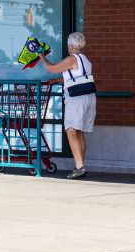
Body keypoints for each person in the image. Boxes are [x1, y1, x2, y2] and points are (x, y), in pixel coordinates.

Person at [40, 32, 96, 179]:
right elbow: (78, 77)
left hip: (76, 99)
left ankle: (79, 167)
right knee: (79, 132)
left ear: (71, 46)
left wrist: (41, 56)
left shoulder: (72, 58)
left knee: (71, 131)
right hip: (89, 97)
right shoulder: (85, 60)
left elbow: (51, 68)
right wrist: (58, 81)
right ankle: (80, 164)